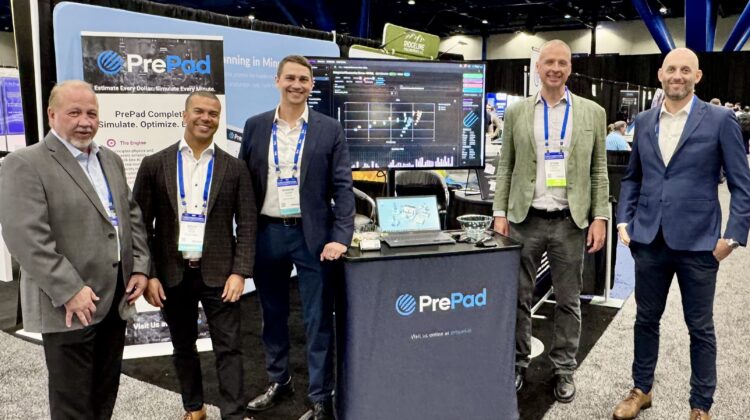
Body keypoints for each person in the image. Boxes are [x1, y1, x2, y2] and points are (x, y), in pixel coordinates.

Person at [613, 48, 750, 420]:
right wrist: (624, 221)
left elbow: (742, 184)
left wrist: (731, 238)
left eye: (685, 70)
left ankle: (700, 406)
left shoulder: (720, 119)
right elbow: (633, 177)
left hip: (700, 244)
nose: (677, 75)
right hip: (649, 241)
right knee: (646, 320)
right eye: (671, 69)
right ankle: (641, 390)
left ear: (697, 76)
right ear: (660, 74)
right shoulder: (645, 120)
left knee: (700, 327)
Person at [0, 80, 150, 419]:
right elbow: (26, 237)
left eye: (91, 113)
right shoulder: (25, 163)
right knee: (72, 403)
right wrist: (69, 290)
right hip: (68, 305)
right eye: (74, 113)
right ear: (52, 115)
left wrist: (140, 266)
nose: (85, 121)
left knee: (104, 394)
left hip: (114, 300)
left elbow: (131, 216)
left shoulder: (109, 159)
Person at [492, 39, 609, 403]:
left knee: (568, 300)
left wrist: (600, 216)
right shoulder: (517, 112)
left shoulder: (592, 113)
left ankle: (564, 368)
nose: (555, 68)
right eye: (549, 62)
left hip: (570, 222)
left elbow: (599, 170)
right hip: (524, 219)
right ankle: (517, 363)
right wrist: (499, 213)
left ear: (570, 68)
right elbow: (506, 165)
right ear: (538, 68)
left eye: (562, 63)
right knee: (518, 296)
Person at [239, 55, 354, 420]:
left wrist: (341, 236)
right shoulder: (255, 126)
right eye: (290, 78)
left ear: (311, 85)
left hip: (313, 237)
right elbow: (244, 187)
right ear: (277, 81)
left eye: (304, 79)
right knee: (271, 314)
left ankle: (320, 396)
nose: (296, 85)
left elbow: (343, 187)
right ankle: (279, 380)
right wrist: (243, 237)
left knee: (317, 319)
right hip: (268, 233)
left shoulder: (329, 129)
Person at [133, 91, 256, 420]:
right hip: (172, 275)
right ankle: (194, 408)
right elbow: (140, 225)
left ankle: (233, 414)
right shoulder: (154, 164)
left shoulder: (235, 168)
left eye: (213, 113)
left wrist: (240, 272)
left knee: (229, 349)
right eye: (199, 111)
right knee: (183, 346)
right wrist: (149, 274)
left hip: (221, 274)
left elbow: (247, 223)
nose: (206, 118)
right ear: (184, 116)